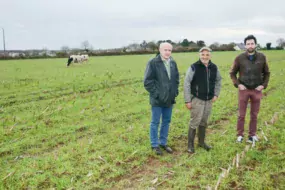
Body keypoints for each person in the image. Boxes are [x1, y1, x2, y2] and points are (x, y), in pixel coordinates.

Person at [230, 35, 270, 143]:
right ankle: (240, 135)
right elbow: (232, 73)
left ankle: (252, 135)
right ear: (245, 45)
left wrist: (263, 85)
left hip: (257, 90)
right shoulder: (239, 58)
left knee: (254, 114)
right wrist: (238, 84)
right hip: (244, 89)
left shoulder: (262, 57)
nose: (250, 45)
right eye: (248, 44)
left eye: (252, 43)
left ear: (255, 44)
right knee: (241, 114)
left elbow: (267, 73)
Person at [144, 42, 179, 155]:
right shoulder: (153, 63)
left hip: (169, 99)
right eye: (165, 50)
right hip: (158, 100)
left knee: (166, 121)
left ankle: (163, 142)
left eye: (169, 50)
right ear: (160, 50)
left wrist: (175, 91)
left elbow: (176, 79)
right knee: (155, 122)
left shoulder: (173, 63)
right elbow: (148, 82)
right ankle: (154, 145)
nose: (168, 52)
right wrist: (157, 94)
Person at [184, 47, 222, 153]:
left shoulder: (214, 67)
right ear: (199, 55)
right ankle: (190, 145)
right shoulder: (193, 67)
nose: (205, 56)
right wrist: (187, 100)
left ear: (210, 55)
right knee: (194, 121)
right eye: (203, 54)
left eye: (207, 54)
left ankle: (201, 143)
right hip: (197, 99)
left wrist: (216, 94)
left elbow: (219, 81)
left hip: (209, 100)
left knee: (204, 121)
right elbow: (186, 83)